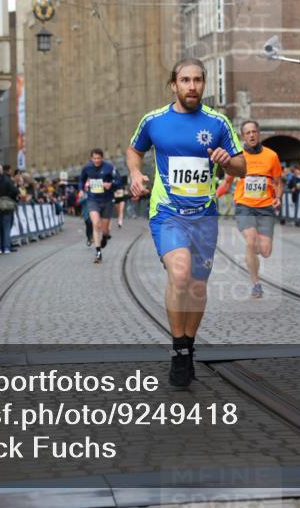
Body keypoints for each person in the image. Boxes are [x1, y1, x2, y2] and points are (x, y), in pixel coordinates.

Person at [127, 59, 245, 388]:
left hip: (204, 216)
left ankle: (188, 345)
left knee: (197, 286)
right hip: (168, 212)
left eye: (197, 80)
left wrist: (227, 161)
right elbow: (134, 150)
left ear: (204, 84)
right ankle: (179, 348)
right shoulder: (154, 121)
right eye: (185, 80)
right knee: (180, 274)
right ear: (173, 85)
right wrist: (135, 172)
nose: (191, 86)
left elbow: (242, 167)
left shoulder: (218, 122)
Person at [215, 120, 283, 299]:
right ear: (243, 136)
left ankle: (254, 252)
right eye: (248, 133)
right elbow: (227, 183)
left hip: (266, 207)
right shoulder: (238, 158)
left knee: (265, 251)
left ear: (258, 133)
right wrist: (214, 197)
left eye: (254, 131)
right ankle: (256, 284)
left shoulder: (271, 156)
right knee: (251, 242)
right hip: (244, 205)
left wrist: (278, 198)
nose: (252, 135)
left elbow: (278, 182)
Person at [79, 148, 116, 264]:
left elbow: (118, 181)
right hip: (93, 199)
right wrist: (81, 189)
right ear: (91, 158)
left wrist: (110, 184)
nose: (96, 160)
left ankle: (105, 236)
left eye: (99, 158)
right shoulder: (87, 168)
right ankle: (98, 252)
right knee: (96, 224)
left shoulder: (109, 167)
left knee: (105, 229)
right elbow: (81, 180)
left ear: (102, 158)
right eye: (94, 158)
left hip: (107, 200)